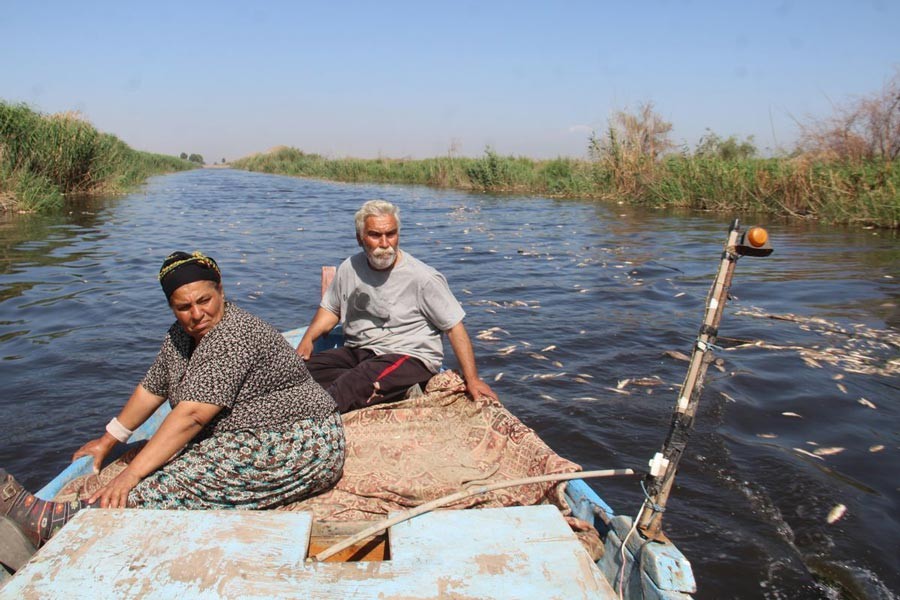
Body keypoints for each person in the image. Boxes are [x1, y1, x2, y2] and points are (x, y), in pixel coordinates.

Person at [1, 251, 345, 548]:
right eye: (184, 307)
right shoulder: (182, 335)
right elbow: (153, 387)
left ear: (221, 291)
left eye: (204, 300)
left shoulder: (236, 335)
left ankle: (64, 524)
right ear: (172, 307)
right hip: (241, 433)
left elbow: (193, 415)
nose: (197, 314)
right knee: (174, 459)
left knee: (175, 478)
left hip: (300, 439)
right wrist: (109, 440)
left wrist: (129, 475)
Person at [296, 200, 497, 413]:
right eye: (375, 235)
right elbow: (331, 309)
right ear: (359, 239)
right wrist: (308, 339)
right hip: (360, 351)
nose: (385, 243)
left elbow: (454, 328)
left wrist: (472, 379)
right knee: (296, 372)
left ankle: (305, 423)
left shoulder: (423, 277)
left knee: (355, 384)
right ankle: (396, 393)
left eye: (390, 234)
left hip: (408, 356)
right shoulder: (349, 268)